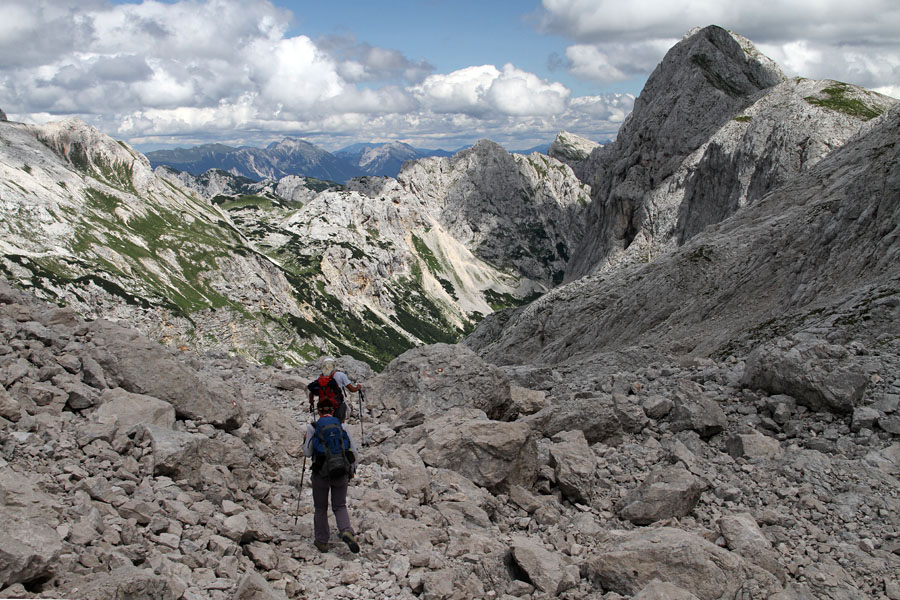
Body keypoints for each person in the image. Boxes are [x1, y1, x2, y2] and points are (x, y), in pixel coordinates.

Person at [302, 401, 361, 553]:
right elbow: (353, 450)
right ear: (333, 411)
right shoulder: (343, 426)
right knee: (340, 505)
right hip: (341, 471)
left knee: (320, 507)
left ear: (319, 411)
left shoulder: (313, 427)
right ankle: (346, 530)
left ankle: (322, 541)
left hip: (320, 472)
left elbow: (307, 452)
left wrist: (305, 439)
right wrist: (352, 469)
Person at [307, 357, 363, 423]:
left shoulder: (319, 378)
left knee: (325, 422)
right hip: (338, 404)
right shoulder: (341, 375)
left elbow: (312, 392)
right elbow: (352, 389)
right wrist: (358, 387)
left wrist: (311, 402)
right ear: (334, 366)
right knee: (339, 423)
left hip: (323, 405)